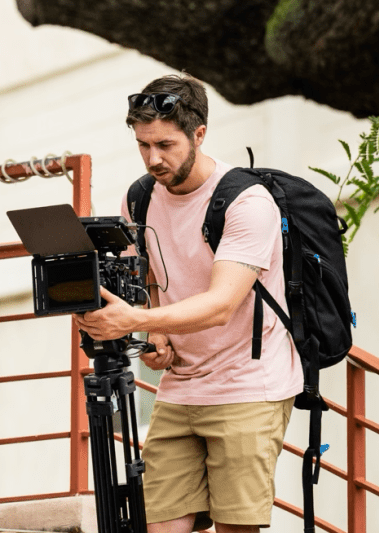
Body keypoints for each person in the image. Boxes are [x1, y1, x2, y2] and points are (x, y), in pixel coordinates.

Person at [73, 74, 304, 533]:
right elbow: (153, 276)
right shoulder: (138, 200)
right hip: (181, 387)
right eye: (143, 145)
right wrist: (156, 332)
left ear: (199, 134)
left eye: (165, 144)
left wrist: (135, 319)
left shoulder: (246, 202)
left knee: (235, 529)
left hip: (248, 385)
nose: (153, 158)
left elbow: (221, 304)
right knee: (159, 527)